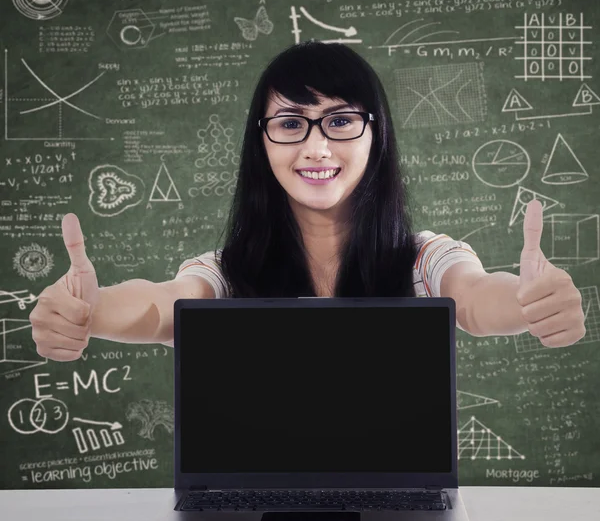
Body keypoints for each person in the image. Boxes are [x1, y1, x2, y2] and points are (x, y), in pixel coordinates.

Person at [29, 41, 586, 361]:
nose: (317, 147)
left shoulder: (421, 261)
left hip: (399, 518)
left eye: (341, 120)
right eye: (292, 123)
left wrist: (528, 302)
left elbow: (474, 298)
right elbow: (164, 307)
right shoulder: (228, 274)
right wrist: (90, 311)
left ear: (377, 134)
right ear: (261, 140)